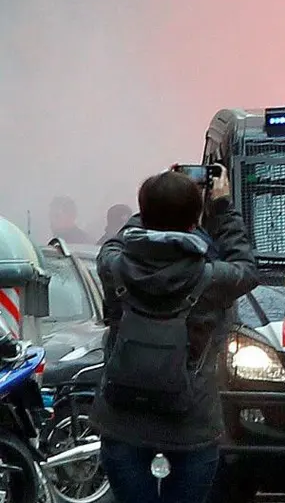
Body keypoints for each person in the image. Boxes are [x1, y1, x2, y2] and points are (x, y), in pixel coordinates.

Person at [92, 168, 259, 503]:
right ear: (194, 221)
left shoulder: (113, 266)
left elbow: (116, 240)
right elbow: (246, 267)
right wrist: (223, 208)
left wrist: (158, 202)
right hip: (191, 424)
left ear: (144, 214)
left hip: (123, 419)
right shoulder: (214, 279)